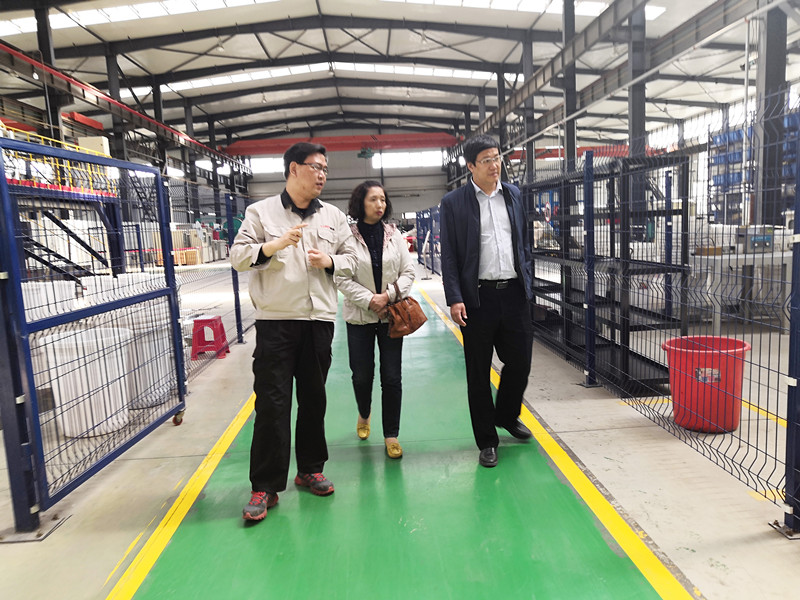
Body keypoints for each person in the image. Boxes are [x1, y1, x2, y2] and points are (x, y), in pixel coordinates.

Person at [230, 142, 358, 521]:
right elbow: (238, 256)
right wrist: (274, 245)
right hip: (276, 322)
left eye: (325, 169)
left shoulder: (333, 216)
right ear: (293, 169)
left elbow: (353, 259)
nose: (322, 175)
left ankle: (310, 469)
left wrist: (329, 260)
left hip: (318, 321)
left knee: (314, 399)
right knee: (272, 403)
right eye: (316, 167)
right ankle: (265, 486)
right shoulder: (261, 212)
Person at [439, 134, 534, 468]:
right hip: (477, 298)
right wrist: (455, 297)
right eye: (487, 160)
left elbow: (523, 242)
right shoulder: (454, 203)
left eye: (498, 158)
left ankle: (506, 415)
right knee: (478, 373)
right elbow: (449, 255)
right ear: (471, 166)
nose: (495, 165)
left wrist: (527, 279)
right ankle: (487, 441)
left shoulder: (514, 194)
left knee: (520, 362)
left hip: (514, 293)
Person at [334, 181, 416, 459]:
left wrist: (388, 296)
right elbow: (341, 278)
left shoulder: (394, 235)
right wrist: (371, 300)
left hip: (391, 316)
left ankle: (391, 434)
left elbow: (408, 272)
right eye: (373, 199)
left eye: (382, 199)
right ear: (360, 203)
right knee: (362, 375)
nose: (380, 204)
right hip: (360, 318)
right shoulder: (347, 238)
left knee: (392, 377)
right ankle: (364, 412)